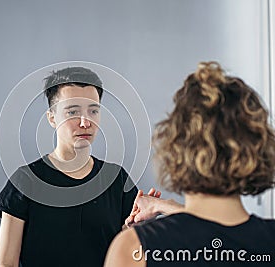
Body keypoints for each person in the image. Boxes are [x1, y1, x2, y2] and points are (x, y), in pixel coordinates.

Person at [105, 62, 275, 267]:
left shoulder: (134, 248)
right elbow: (218, 231)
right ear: (258, 147)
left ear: (175, 147)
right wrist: (162, 206)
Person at [0, 66, 161, 267]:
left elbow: (130, 257)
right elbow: (5, 264)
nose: (85, 122)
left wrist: (133, 230)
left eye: (93, 111)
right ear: (52, 118)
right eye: (72, 111)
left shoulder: (116, 178)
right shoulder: (26, 180)